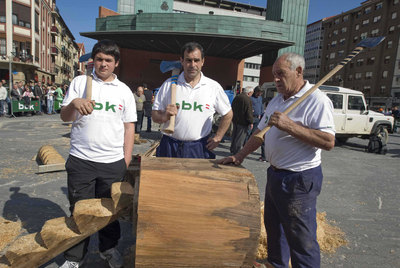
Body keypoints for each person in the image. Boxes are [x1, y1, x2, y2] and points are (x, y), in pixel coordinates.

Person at [219, 52, 335, 268]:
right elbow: (259, 133)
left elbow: (328, 141)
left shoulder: (317, 100)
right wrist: (240, 155)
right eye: (274, 75)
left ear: (299, 71)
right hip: (275, 174)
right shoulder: (276, 100)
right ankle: (276, 264)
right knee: (274, 228)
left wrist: (290, 126)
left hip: (299, 178)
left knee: (301, 238)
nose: (276, 79)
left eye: (281, 74)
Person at [59, 39, 137, 268]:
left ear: (116, 64)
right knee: (80, 211)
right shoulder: (80, 82)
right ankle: (75, 257)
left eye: (108, 60)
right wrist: (74, 103)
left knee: (109, 212)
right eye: (100, 59)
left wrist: (126, 158)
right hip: (81, 160)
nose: (103, 64)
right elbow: (65, 117)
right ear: (94, 60)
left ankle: (108, 249)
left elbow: (129, 126)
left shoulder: (124, 91)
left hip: (112, 162)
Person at [152, 41, 233, 158]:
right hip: (170, 145)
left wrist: (218, 137)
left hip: (199, 147)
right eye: (188, 60)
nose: (192, 65)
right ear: (182, 61)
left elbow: (228, 114)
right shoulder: (169, 84)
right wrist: (164, 116)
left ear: (203, 61)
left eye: (196, 60)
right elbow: (155, 115)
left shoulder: (213, 87)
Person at [230, 86, 253, 155]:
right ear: (249, 93)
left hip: (235, 119)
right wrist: (251, 122)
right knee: (240, 138)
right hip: (243, 121)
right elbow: (248, 112)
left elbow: (232, 107)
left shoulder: (237, 97)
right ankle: (236, 151)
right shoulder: (247, 99)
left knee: (234, 136)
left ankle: (232, 149)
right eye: (252, 93)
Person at [249, 86, 266, 162]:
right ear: (255, 92)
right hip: (252, 117)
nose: (259, 94)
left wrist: (262, 114)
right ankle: (248, 146)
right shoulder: (250, 98)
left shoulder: (260, 98)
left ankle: (252, 147)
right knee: (249, 133)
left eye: (261, 93)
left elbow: (261, 106)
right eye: (258, 93)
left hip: (258, 118)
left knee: (256, 133)